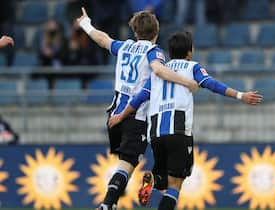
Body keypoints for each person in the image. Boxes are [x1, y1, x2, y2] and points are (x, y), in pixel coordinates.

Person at [107, 31, 263, 210]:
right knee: (175, 184)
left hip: (156, 133)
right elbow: (211, 84)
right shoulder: (192, 68)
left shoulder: (158, 72)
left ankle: (154, 178)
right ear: (190, 52)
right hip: (179, 131)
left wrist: (121, 115)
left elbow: (139, 98)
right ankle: (154, 179)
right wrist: (240, 95)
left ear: (170, 52)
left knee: (164, 178)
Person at [76, 8, 198, 210]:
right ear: (156, 33)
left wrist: (86, 24)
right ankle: (108, 204)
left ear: (135, 31)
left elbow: (103, 39)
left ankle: (112, 199)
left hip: (114, 114)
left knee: (126, 163)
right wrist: (187, 82)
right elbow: (159, 69)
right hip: (136, 116)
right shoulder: (154, 51)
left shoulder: (124, 47)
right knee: (131, 163)